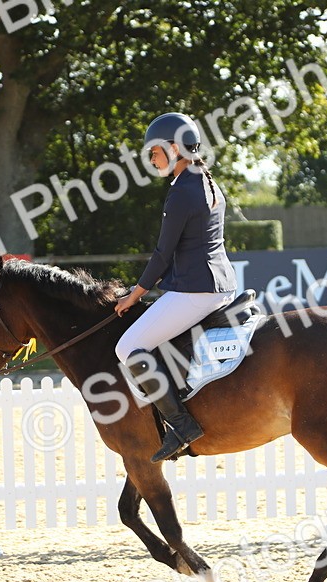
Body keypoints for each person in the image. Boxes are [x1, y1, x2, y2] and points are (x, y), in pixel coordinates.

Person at [114, 112, 237, 462]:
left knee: (129, 346)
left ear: (173, 147)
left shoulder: (182, 190)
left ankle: (181, 424)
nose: (152, 160)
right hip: (220, 285)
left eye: (154, 152)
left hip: (197, 291)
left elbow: (162, 254)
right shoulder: (207, 182)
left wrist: (134, 295)